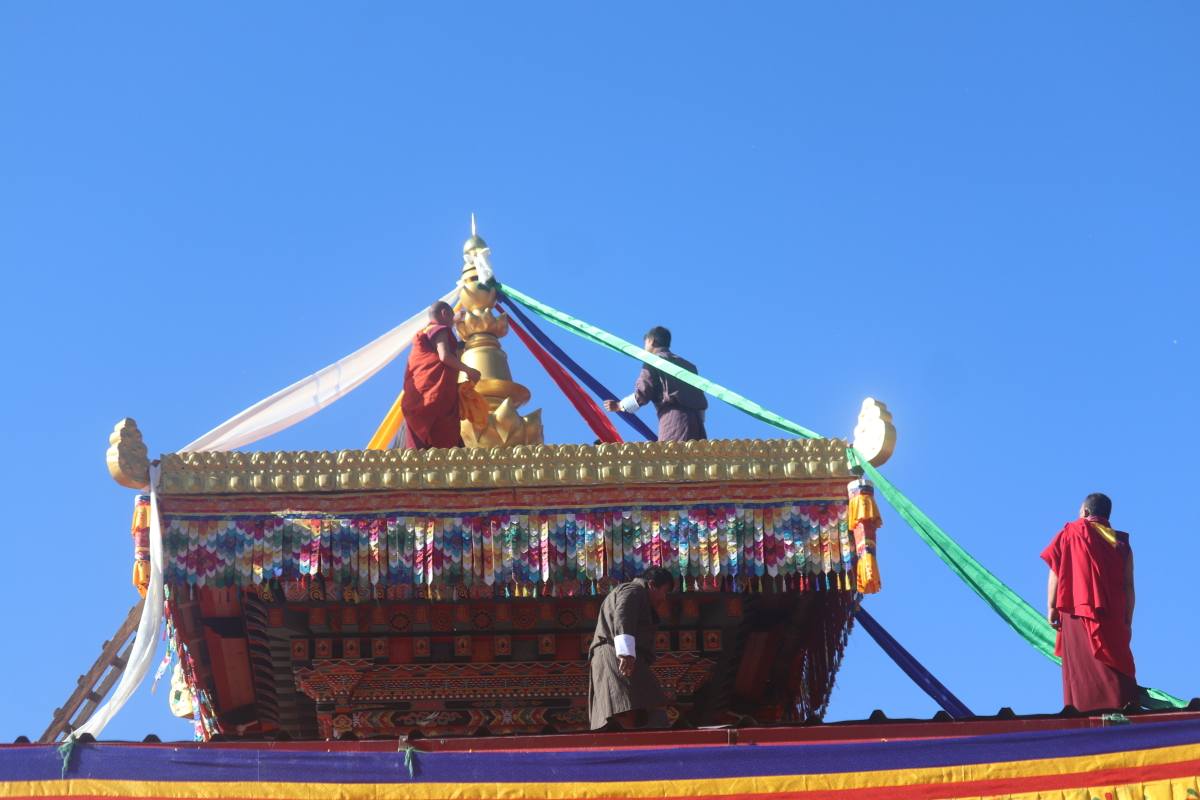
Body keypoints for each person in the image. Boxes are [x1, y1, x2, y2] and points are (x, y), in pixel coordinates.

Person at [1041, 492, 1137, 711]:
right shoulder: (1120, 543)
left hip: (1076, 612)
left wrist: (1051, 607)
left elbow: (1056, 571)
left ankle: (1082, 712)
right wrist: (1127, 621)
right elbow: (1128, 586)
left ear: (1085, 512)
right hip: (1113, 618)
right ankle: (1123, 708)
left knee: (1081, 669)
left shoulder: (1071, 533)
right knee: (1117, 671)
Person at [588, 567, 674, 730]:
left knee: (637, 705)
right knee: (628, 706)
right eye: (665, 591)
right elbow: (623, 616)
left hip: (619, 655)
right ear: (652, 585)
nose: (664, 598)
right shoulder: (633, 590)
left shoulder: (637, 593)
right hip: (614, 654)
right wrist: (626, 653)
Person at [602, 326, 708, 441]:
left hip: (673, 424)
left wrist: (619, 405)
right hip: (698, 428)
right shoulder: (689, 366)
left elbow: (643, 393)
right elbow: (700, 398)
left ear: (651, 341)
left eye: (645, 343)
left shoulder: (653, 361)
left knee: (671, 457)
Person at [400, 301, 481, 449]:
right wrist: (470, 371)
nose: (451, 325)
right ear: (444, 314)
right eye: (451, 319)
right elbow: (444, 356)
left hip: (418, 397)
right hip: (434, 394)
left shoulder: (423, 335)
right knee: (448, 444)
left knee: (419, 450)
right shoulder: (439, 329)